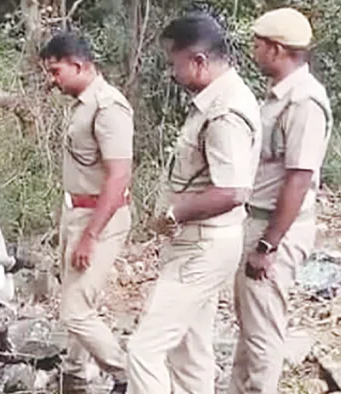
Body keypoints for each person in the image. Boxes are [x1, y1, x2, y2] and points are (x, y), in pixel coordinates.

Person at [125, 13, 262, 394]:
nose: (172, 72)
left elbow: (233, 190)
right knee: (190, 353)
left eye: (174, 62)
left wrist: (174, 213)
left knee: (143, 350)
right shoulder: (216, 100)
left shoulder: (225, 111)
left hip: (203, 245)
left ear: (199, 61)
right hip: (201, 243)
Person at [229, 8, 333, 394]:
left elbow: (299, 178)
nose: (254, 52)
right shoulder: (280, 98)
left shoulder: (304, 102)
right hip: (258, 220)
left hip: (275, 226)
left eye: (259, 45)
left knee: (263, 333)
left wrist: (268, 245)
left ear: (276, 49)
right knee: (251, 325)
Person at [39, 32, 134, 393]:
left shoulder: (109, 107)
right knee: (79, 297)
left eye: (56, 71)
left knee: (75, 311)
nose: (53, 80)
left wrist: (90, 236)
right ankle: (75, 373)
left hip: (100, 219)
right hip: (76, 212)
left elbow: (119, 176)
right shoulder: (83, 104)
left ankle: (126, 373)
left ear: (79, 64)